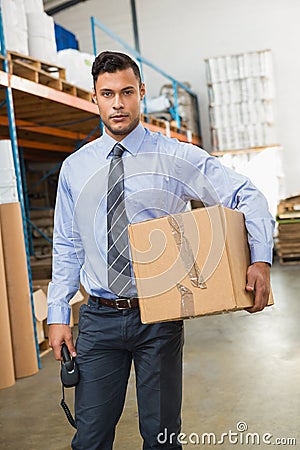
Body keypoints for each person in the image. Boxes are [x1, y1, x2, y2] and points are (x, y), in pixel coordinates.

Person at [47, 51, 274, 450]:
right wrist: (58, 313)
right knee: (90, 438)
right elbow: (67, 244)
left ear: (141, 94)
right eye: (107, 94)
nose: (118, 103)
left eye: (127, 92)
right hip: (98, 317)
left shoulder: (174, 156)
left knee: (162, 437)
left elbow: (245, 193)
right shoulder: (76, 168)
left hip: (160, 315)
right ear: (94, 98)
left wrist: (259, 257)